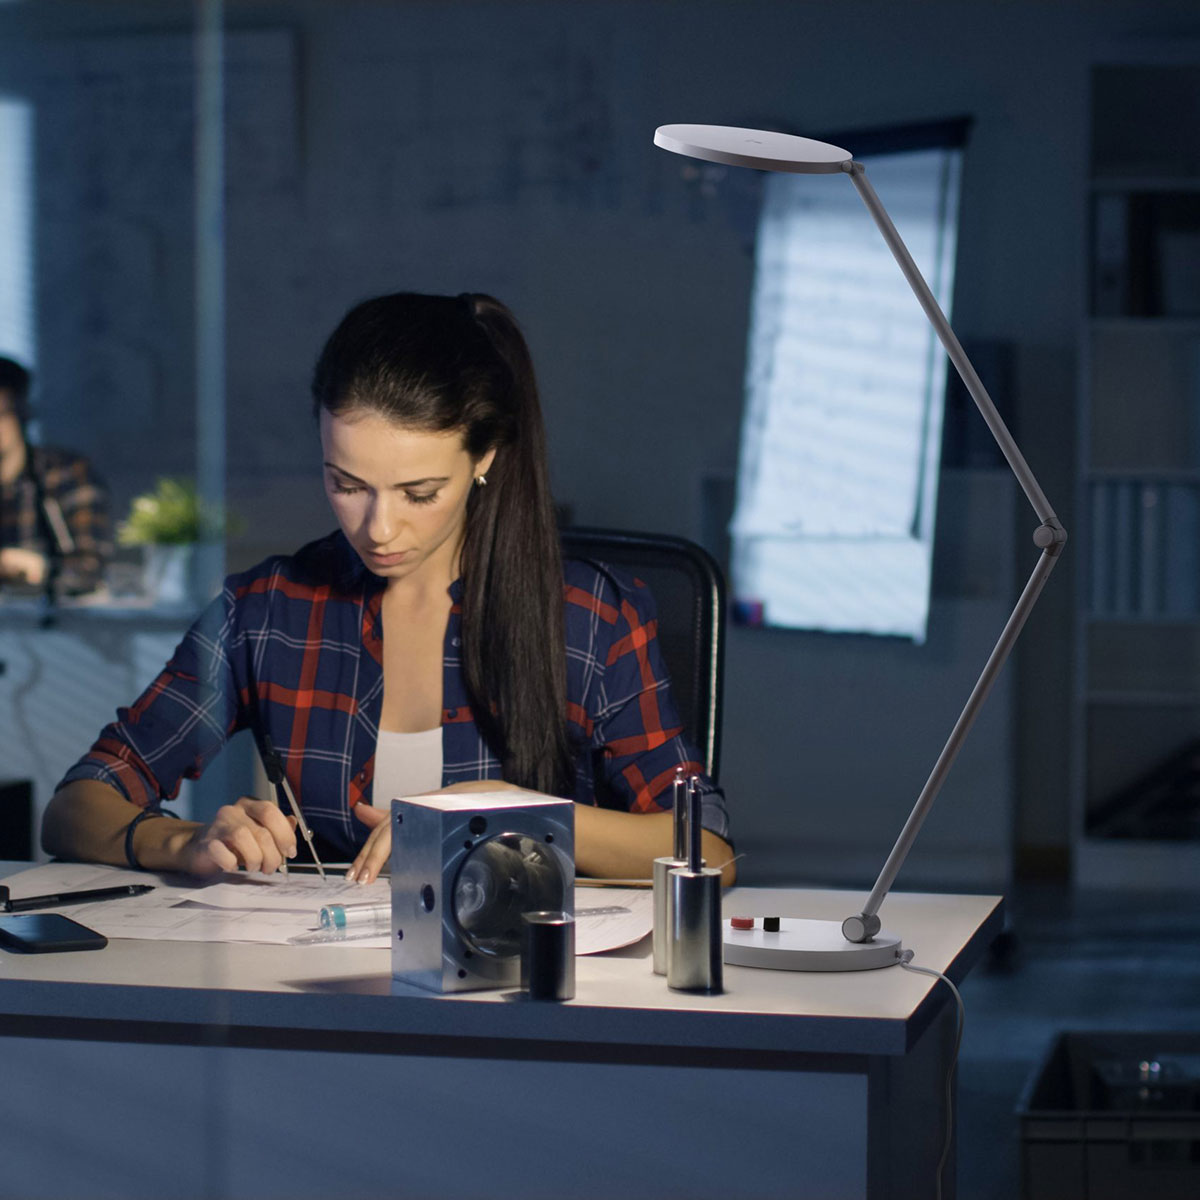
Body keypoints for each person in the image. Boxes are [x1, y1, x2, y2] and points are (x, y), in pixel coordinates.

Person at [43, 292, 733, 884]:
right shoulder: (268, 613)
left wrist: (518, 817)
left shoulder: (587, 618)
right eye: (346, 485)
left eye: (419, 492)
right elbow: (77, 803)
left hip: (527, 986)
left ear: (484, 459)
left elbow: (707, 851)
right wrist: (183, 842)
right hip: (328, 979)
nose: (378, 528)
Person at [0, 356, 113, 596]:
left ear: (21, 412)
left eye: (2, 412)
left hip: (52, 628)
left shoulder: (64, 475)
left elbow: (91, 570)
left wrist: (39, 568)